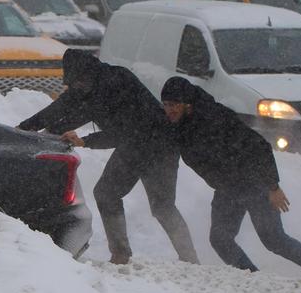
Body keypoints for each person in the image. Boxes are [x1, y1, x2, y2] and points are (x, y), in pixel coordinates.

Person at [17, 49, 199, 265]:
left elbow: (120, 132)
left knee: (162, 205)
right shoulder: (85, 85)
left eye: (79, 83)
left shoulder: (116, 82)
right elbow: (61, 108)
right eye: (73, 84)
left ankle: (190, 258)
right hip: (132, 146)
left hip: (159, 144)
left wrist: (84, 140)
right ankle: (120, 253)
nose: (76, 87)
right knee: (106, 194)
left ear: (89, 74)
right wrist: (24, 129)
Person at [159, 76, 301, 276]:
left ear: (187, 105)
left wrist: (273, 187)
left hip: (255, 184)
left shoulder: (216, 118)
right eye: (166, 105)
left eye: (174, 105)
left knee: (274, 239)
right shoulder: (178, 126)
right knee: (220, 239)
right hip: (228, 188)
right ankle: (252, 278)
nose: (169, 110)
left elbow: (260, 147)